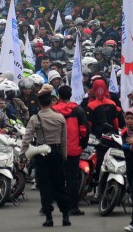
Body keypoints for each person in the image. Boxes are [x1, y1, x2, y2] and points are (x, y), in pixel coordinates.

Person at [20, 84, 70, 227]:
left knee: (45, 186)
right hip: (57, 153)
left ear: (39, 102)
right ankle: (65, 215)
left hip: (41, 154)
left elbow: (27, 138)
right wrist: (64, 155)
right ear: (51, 101)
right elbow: (64, 139)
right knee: (60, 185)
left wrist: (22, 155)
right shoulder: (60, 117)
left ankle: (49, 217)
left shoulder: (35, 119)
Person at [52, 85, 90, 216]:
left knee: (55, 177)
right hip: (73, 149)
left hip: (55, 148)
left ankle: (48, 205)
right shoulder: (78, 110)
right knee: (72, 178)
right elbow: (85, 130)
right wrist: (82, 144)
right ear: (71, 94)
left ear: (59, 95)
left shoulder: (53, 110)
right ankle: (73, 207)